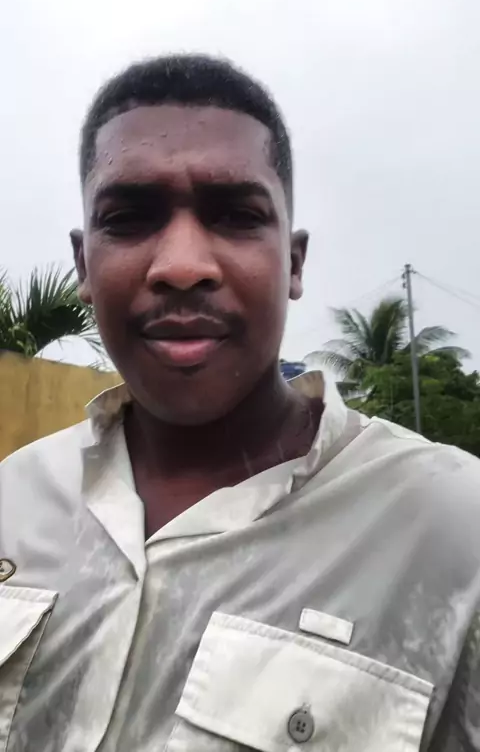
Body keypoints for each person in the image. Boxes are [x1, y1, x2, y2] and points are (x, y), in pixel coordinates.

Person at [1, 55, 480, 752]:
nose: (181, 265)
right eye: (129, 218)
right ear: (84, 265)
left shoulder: (454, 532)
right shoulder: (13, 500)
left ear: (293, 263)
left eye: (235, 216)